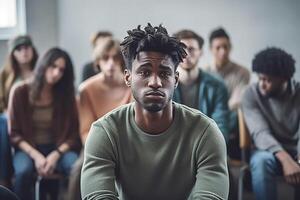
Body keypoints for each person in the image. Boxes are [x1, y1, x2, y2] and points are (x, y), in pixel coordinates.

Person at [81, 23, 229, 200]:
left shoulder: (205, 132)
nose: (155, 82)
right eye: (144, 72)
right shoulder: (105, 132)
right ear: (128, 77)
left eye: (165, 73)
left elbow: (210, 197)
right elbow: (98, 196)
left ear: (175, 80)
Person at [8, 48, 81, 200]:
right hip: (28, 149)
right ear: (43, 65)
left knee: (76, 167)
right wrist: (36, 156)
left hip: (58, 148)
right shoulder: (20, 91)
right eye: (53, 66)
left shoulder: (66, 95)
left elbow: (74, 135)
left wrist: (55, 155)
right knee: (23, 171)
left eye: (61, 70)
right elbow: (14, 133)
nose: (56, 73)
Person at [67, 38, 131, 200]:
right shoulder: (87, 89)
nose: (111, 64)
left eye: (116, 58)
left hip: (128, 142)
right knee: (78, 169)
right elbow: (85, 130)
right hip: (95, 141)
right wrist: (102, 150)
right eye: (105, 58)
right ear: (98, 62)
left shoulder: (132, 86)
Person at [241, 47, 300, 200]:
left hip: (297, 150)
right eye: (260, 78)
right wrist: (286, 160)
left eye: (267, 80)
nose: (262, 84)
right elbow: (260, 133)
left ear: (284, 79)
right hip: (267, 151)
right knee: (260, 161)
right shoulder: (250, 94)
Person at [173, 29, 230, 142]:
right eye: (181, 49)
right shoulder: (164, 85)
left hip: (207, 147)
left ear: (201, 52)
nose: (186, 54)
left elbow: (221, 127)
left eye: (191, 49)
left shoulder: (218, 86)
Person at [0, 35, 38, 188]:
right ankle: (4, 177)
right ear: (13, 53)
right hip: (9, 117)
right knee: (3, 123)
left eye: (27, 47)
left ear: (32, 49)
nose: (24, 52)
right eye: (19, 49)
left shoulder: (39, 71)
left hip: (33, 117)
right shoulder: (5, 75)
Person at [204, 28, 250, 134]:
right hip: (208, 117)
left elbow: (235, 102)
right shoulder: (204, 72)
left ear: (230, 48)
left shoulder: (242, 72)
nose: (223, 51)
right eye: (218, 48)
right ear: (211, 49)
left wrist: (219, 113)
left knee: (236, 113)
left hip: (230, 117)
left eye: (225, 47)